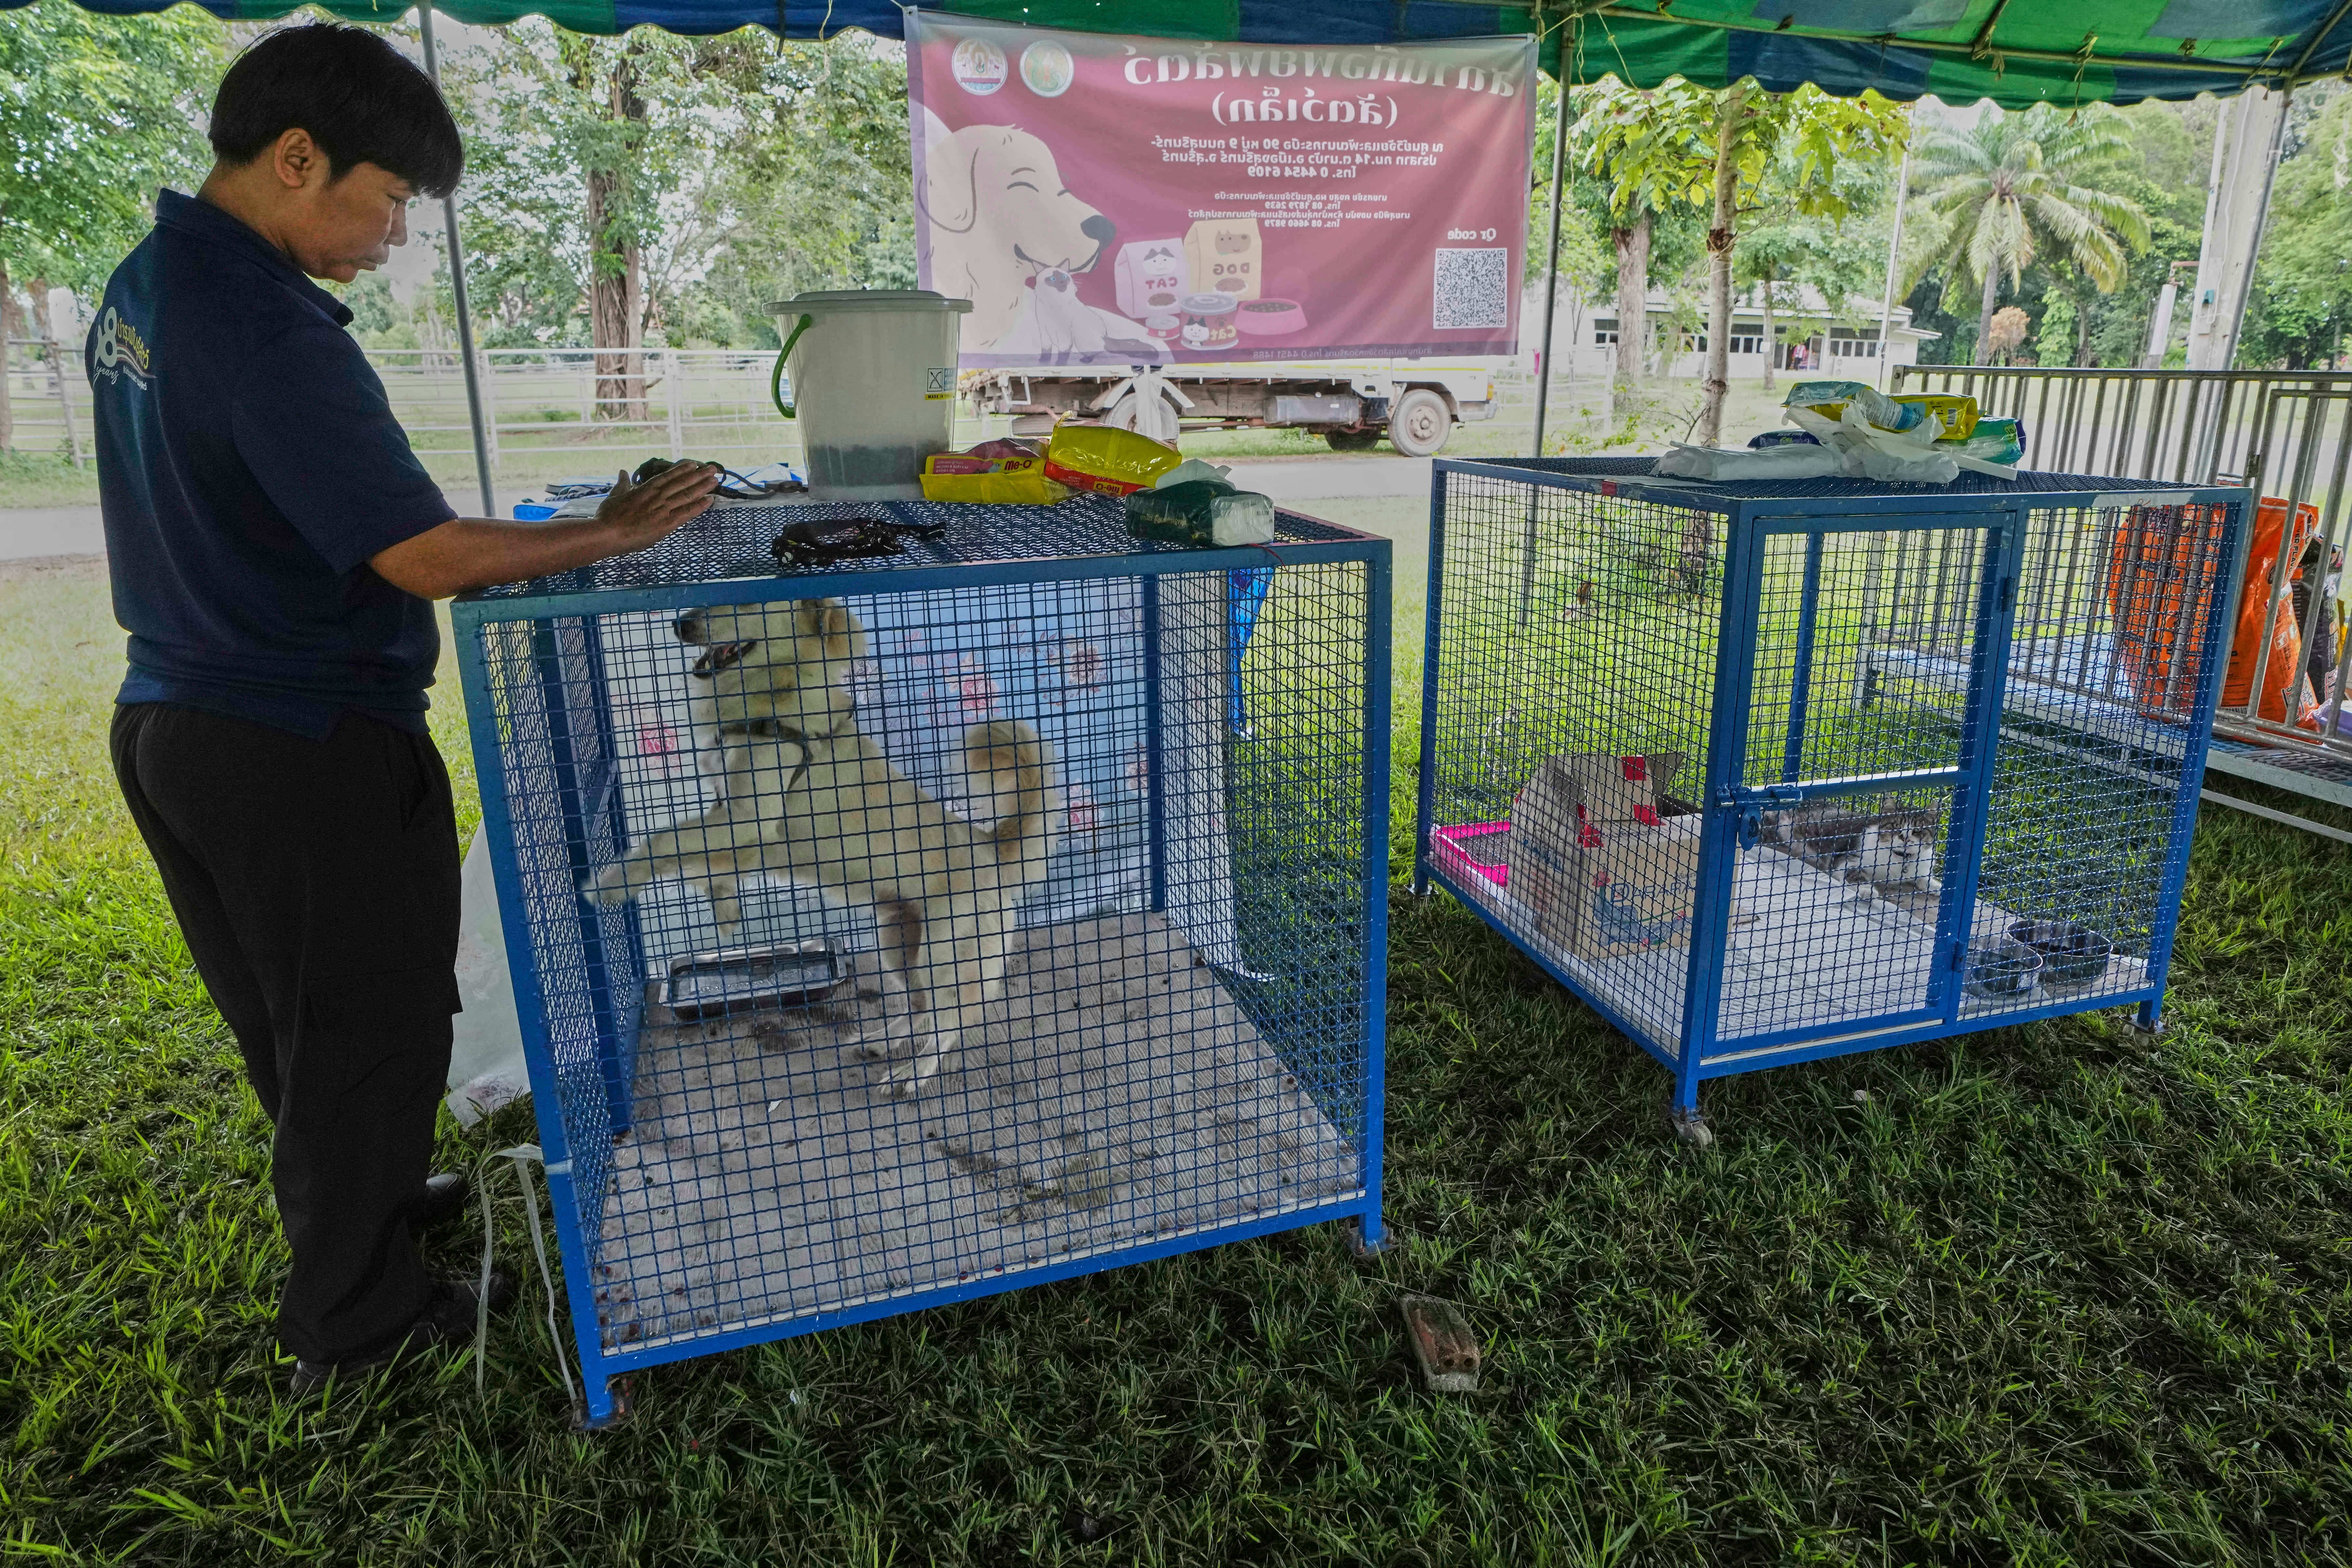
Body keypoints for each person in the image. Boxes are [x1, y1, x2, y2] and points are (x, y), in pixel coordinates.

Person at [89, 23, 721, 1398]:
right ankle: (356, 1323)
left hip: (176, 712)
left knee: (294, 1014)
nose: (391, 238)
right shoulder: (269, 331)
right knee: (369, 1022)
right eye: (386, 202)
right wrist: (610, 533)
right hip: (297, 733)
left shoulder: (151, 282)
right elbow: (423, 555)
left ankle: (368, 1200)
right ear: (296, 157)